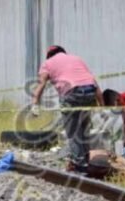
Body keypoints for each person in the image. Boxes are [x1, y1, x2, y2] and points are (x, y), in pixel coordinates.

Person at [31, 45, 102, 174]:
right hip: (90, 92)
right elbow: (93, 82)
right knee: (84, 129)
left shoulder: (47, 63)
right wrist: (102, 104)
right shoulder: (77, 59)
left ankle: (80, 167)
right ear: (63, 52)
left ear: (49, 56)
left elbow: (42, 84)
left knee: (73, 132)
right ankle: (86, 160)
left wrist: (35, 103)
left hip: (71, 93)